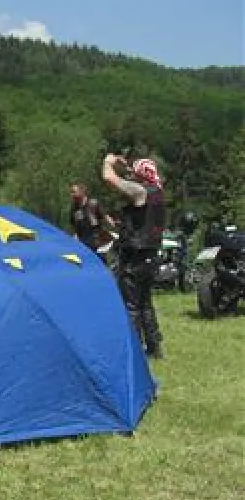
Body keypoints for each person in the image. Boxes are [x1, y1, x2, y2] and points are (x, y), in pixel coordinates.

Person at [102, 153, 167, 359]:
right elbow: (143, 223)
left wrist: (108, 162)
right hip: (151, 254)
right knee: (145, 303)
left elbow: (109, 178)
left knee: (131, 305)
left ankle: (134, 350)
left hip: (136, 256)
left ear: (141, 176)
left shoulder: (141, 192)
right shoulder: (157, 192)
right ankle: (154, 347)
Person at [68, 182, 113, 257]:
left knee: (100, 261)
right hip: (83, 242)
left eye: (74, 192)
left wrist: (112, 225)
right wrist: (75, 236)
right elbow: (73, 224)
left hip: (96, 239)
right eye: (71, 192)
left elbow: (105, 216)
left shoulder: (93, 203)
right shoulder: (74, 209)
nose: (71, 195)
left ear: (82, 191)